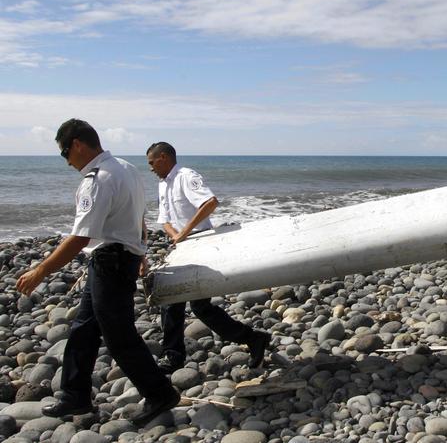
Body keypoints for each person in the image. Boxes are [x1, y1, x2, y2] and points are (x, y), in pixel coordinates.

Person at [16, 119, 179, 426]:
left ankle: (160, 392)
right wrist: (140, 250)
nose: (67, 162)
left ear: (77, 144)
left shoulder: (99, 178)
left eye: (65, 153)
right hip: (115, 258)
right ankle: (74, 394)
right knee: (84, 328)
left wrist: (41, 270)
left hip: (111, 262)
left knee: (119, 336)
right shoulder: (126, 169)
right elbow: (137, 215)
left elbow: (80, 238)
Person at [146, 142, 271, 373]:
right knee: (182, 303)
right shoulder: (163, 185)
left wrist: (184, 233)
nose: (150, 168)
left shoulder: (186, 176)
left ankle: (174, 356)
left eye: (152, 163)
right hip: (181, 246)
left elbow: (210, 203)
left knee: (192, 304)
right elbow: (164, 219)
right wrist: (176, 236)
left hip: (200, 242)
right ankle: (251, 339)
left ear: (163, 157)